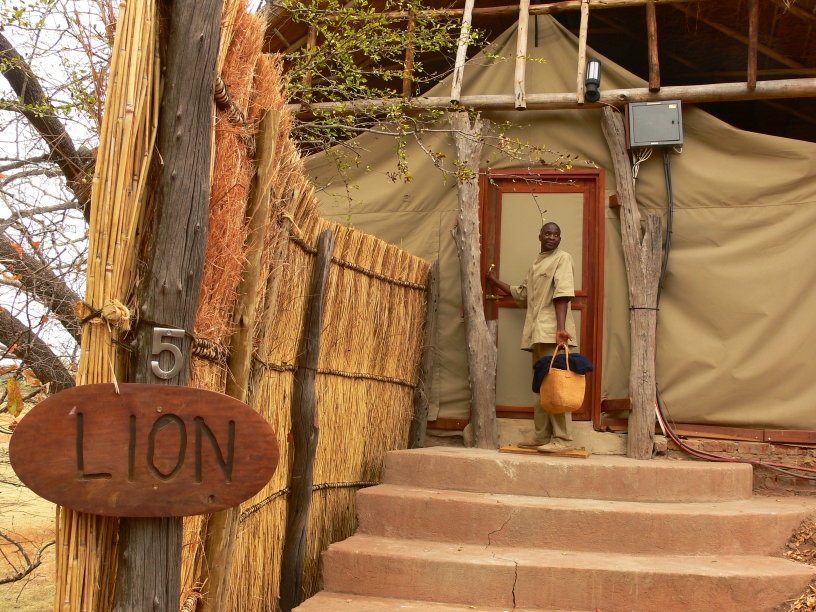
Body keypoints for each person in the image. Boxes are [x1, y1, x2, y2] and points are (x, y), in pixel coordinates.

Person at [486, 222, 578, 451]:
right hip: (537, 334)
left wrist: (560, 329)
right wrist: (495, 281)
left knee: (556, 385)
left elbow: (562, 294)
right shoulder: (537, 264)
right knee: (540, 387)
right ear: (540, 236)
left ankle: (563, 440)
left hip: (553, 334)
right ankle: (542, 436)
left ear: (560, 239)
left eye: (556, 234)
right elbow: (523, 294)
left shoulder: (563, 258)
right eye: (548, 233)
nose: (552, 237)